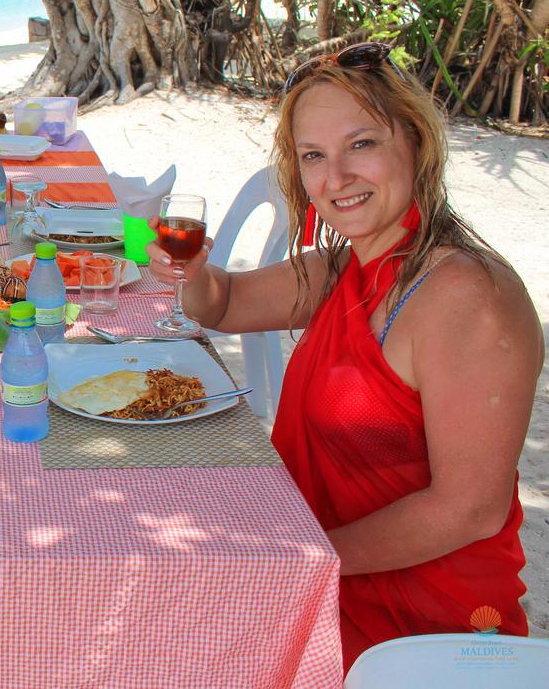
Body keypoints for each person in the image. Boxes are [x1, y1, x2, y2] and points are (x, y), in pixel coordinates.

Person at [147, 42, 542, 670]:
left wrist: (296, 556)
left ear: (415, 141)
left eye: (361, 144)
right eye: (313, 156)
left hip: (413, 633)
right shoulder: (345, 266)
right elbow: (224, 304)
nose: (336, 178)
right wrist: (192, 271)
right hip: (321, 574)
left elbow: (469, 510)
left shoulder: (467, 297)